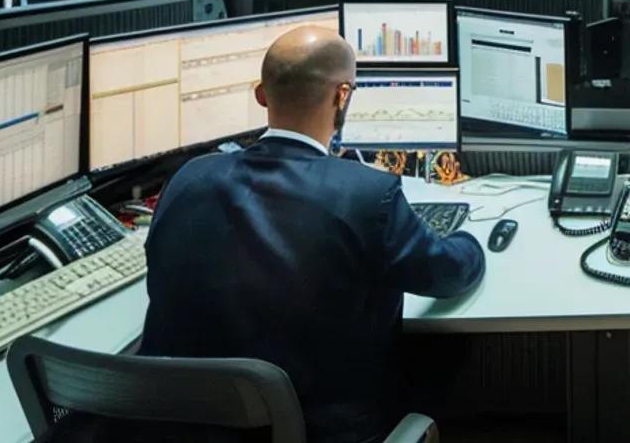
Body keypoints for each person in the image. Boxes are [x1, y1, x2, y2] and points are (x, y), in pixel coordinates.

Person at [139, 27, 484, 443]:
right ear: (342, 96)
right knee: (450, 347)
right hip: (321, 429)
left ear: (261, 95)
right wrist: (471, 242)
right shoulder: (366, 193)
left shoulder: (188, 178)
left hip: (188, 428)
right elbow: (447, 276)